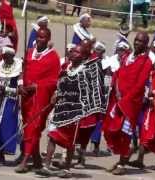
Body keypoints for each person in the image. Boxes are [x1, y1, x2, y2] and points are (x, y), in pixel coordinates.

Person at [36, 44, 108, 178]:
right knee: (52, 135)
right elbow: (59, 83)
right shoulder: (65, 68)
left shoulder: (85, 72)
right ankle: (46, 166)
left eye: (76, 52)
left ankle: (67, 168)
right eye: (72, 51)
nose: (73, 53)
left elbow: (90, 92)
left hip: (75, 112)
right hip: (60, 108)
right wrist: (56, 94)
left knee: (70, 142)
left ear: (83, 56)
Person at [103, 32, 152, 175]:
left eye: (141, 41)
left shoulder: (147, 62)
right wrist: (117, 91)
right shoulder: (126, 56)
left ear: (145, 44)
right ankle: (121, 159)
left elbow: (139, 84)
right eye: (136, 40)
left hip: (130, 103)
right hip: (117, 99)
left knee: (125, 133)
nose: (137, 43)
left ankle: (122, 163)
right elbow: (118, 74)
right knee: (112, 129)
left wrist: (125, 99)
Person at [15, 28, 61, 173]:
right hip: (26, 97)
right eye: (38, 36)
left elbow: (55, 80)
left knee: (33, 128)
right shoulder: (29, 52)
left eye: (43, 37)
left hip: (40, 98)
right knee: (28, 126)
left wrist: (38, 86)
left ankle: (24, 160)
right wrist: (21, 84)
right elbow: (22, 70)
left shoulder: (53, 57)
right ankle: (36, 160)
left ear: (48, 39)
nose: (40, 39)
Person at [0, 46, 22, 164]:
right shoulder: (0, 65)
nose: (4, 58)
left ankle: (14, 152)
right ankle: (0, 155)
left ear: (11, 56)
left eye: (6, 56)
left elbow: (20, 89)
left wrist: (6, 89)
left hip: (10, 101)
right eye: (3, 56)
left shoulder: (18, 67)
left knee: (7, 126)